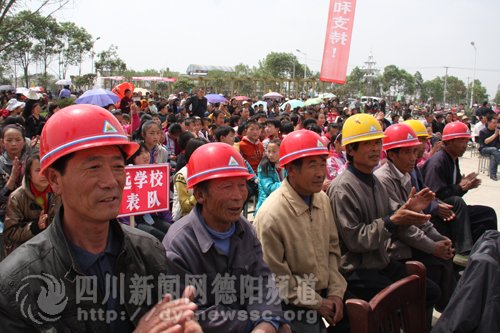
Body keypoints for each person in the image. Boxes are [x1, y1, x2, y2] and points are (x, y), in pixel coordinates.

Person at [0, 105, 202, 332]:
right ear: (55, 180)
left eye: (117, 166)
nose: (110, 181)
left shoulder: (148, 251)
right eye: (94, 167)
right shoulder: (15, 284)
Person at [326, 114, 440, 331]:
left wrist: (408, 210)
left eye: (377, 142)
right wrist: (393, 220)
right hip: (356, 270)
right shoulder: (343, 188)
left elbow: (392, 215)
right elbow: (356, 241)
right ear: (350, 150)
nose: (375, 149)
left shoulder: (374, 180)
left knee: (429, 291)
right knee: (397, 300)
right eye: (367, 144)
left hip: (380, 262)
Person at [163, 142, 290, 333]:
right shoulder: (179, 244)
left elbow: (263, 282)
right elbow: (193, 313)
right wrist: (254, 325)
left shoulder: (244, 229)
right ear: (200, 195)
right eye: (227, 187)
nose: (238, 196)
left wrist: (269, 321)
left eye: (241, 185)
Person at [254, 130, 348, 333]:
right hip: (290, 304)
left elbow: (333, 249)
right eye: (312, 165)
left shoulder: (321, 199)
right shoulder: (272, 215)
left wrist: (335, 294)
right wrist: (318, 303)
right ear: (291, 170)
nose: (320, 173)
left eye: (322, 164)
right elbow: (277, 279)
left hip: (324, 294)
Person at [374, 123, 456, 311]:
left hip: (407, 237)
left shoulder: (406, 173)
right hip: (393, 245)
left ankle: (448, 309)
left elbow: (419, 215)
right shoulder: (383, 179)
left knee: (446, 251)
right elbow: (403, 226)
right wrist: (432, 247)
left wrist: (438, 239)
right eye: (408, 153)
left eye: (414, 151)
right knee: (434, 265)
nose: (413, 158)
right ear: (392, 155)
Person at [421, 121, 498, 266]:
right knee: (456, 201)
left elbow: (454, 189)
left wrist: (465, 186)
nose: (465, 144)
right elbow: (434, 195)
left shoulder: (453, 159)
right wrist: (460, 188)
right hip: (436, 213)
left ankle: (488, 252)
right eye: (461, 140)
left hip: (452, 210)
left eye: (466, 140)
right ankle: (463, 252)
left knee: (487, 214)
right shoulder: (438, 162)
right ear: (448, 142)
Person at [3, 153, 60, 257]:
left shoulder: (60, 191)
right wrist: (34, 227)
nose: (43, 174)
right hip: (26, 251)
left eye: (46, 168)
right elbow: (10, 233)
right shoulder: (16, 197)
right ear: (29, 174)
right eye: (38, 170)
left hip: (55, 246)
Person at [118, 143, 172, 241]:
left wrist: (171, 221)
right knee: (158, 238)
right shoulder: (126, 176)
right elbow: (124, 209)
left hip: (151, 217)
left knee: (172, 231)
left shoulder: (154, 174)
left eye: (146, 152)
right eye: (140, 154)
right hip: (135, 221)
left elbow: (160, 202)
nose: (145, 156)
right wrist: (130, 229)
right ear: (131, 157)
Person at [0, 125, 31, 222]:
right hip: (7, 213)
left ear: (24, 141)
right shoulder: (1, 164)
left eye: (18, 140)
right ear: (2, 142)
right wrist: (12, 178)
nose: (14, 144)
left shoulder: (32, 161)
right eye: (9, 140)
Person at [171, 138, 206, 221]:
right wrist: (200, 190)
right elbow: (185, 207)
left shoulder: (205, 171)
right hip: (184, 218)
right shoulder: (182, 175)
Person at [255, 139, 284, 214]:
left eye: (274, 152)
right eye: (269, 151)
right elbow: (269, 188)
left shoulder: (286, 165)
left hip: (283, 200)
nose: (270, 155)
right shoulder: (263, 167)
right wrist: (288, 184)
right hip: (267, 203)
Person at [477, 113, 500, 180]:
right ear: (489, 122)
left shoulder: (497, 130)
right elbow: (485, 141)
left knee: (494, 155)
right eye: (493, 123)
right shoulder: (483, 131)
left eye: (496, 123)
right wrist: (495, 135)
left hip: (495, 151)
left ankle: (493, 175)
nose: (495, 124)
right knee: (494, 149)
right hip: (484, 149)